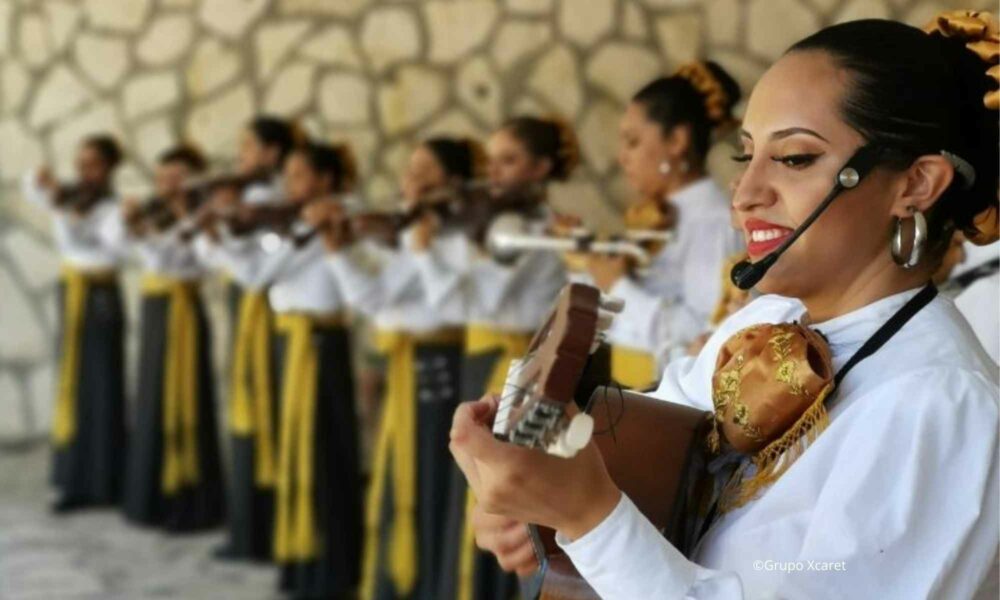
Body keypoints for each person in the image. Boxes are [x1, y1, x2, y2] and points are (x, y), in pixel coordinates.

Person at [453, 14, 999, 599]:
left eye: (793, 159)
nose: (745, 195)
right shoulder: (762, 324)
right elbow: (635, 459)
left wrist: (590, 517)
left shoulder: (940, 403)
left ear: (915, 185)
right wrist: (531, 501)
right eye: (746, 158)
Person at [305, 136, 480, 600]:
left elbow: (385, 295)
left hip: (440, 366)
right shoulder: (411, 231)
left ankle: (428, 587)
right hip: (407, 363)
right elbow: (374, 298)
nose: (411, 179)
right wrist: (339, 248)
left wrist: (346, 251)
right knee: (402, 474)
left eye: (426, 171)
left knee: (432, 477)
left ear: (454, 182)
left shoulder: (456, 234)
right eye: (410, 169)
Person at [429, 118, 579, 600]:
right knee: (476, 489)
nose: (493, 171)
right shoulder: (496, 222)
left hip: (515, 373)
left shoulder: (530, 227)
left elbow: (482, 301)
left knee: (503, 495)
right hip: (485, 361)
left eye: (509, 160)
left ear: (540, 168)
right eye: (491, 159)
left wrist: (442, 250)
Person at [587, 63, 744, 390]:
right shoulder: (665, 214)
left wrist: (618, 286)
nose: (623, 158)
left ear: (676, 140)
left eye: (633, 142)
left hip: (668, 391)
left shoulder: (711, 220)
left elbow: (702, 328)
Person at [259, 141, 362, 599]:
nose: (290, 184)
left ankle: (336, 564)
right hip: (289, 342)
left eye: (300, 175)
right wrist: (303, 231)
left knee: (326, 449)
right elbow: (260, 274)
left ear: (325, 179)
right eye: (288, 175)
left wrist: (320, 230)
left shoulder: (350, 218)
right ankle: (301, 560)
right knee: (296, 448)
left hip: (322, 344)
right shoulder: (289, 224)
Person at [193, 116, 299, 561]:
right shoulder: (251, 198)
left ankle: (264, 533)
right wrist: (210, 229)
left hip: (269, 320)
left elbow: (254, 270)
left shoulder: (273, 202)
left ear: (274, 153)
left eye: (250, 148)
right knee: (247, 419)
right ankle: (248, 530)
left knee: (266, 421)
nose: (242, 158)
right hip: (250, 314)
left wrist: (219, 237)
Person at [121, 144, 226, 532]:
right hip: (155, 307)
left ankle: (190, 500)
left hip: (183, 308)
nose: (168, 184)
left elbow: (169, 259)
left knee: (186, 399)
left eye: (177, 177)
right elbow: (132, 253)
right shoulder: (155, 212)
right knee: (151, 397)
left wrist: (178, 222)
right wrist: (132, 225)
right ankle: (149, 497)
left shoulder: (203, 214)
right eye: (163, 176)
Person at [21, 134, 128, 512]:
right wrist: (46, 182)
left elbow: (102, 247)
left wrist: (65, 213)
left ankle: (105, 479)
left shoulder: (114, 209)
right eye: (80, 164)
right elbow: (32, 187)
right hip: (73, 293)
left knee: (101, 383)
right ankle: (75, 477)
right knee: (75, 383)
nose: (85, 172)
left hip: (99, 297)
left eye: (93, 165)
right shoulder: (71, 197)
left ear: (110, 168)